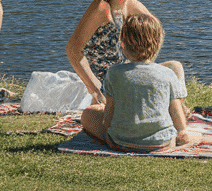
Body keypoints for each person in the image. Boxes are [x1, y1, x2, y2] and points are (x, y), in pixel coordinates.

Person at [80, 12, 202, 152]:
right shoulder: (168, 74)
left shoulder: (114, 73)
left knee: (88, 115)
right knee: (195, 135)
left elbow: (109, 112)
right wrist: (182, 132)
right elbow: (177, 114)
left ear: (123, 45)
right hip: (161, 143)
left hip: (121, 142)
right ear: (157, 44)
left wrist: (107, 134)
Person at [66, 0, 153, 106]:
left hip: (126, 76)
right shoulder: (100, 8)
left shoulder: (132, 6)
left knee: (175, 68)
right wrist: (95, 90)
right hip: (100, 83)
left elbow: (157, 35)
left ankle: (179, 112)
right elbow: (73, 50)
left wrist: (146, 64)